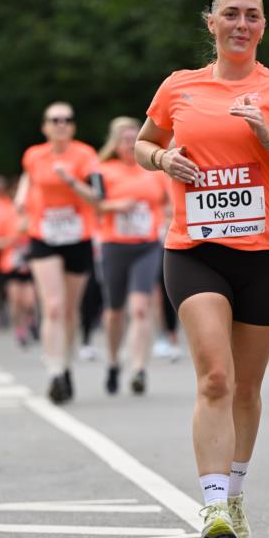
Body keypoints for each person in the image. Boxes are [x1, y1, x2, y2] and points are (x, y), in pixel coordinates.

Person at [135, 0, 269, 538]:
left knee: (246, 386)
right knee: (215, 377)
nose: (242, 24)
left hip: (266, 253)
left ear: (263, 26)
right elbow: (142, 144)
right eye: (231, 14)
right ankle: (213, 506)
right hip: (196, 250)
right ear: (211, 22)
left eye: (252, 15)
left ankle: (235, 493)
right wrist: (163, 159)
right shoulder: (179, 86)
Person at [15, 102, 101, 403]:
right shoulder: (33, 155)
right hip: (44, 235)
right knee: (52, 306)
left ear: (73, 126)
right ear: (45, 127)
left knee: (69, 311)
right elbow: (28, 177)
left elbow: (97, 198)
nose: (61, 124)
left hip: (78, 236)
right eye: (55, 120)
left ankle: (66, 365)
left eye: (67, 119)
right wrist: (21, 198)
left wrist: (71, 181)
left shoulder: (85, 155)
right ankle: (53, 371)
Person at [96, 117, 171, 394]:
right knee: (114, 310)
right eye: (125, 140)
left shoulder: (155, 171)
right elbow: (94, 205)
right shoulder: (102, 170)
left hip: (147, 245)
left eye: (134, 139)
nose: (130, 145)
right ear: (115, 145)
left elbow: (170, 204)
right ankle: (114, 361)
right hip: (114, 245)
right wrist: (116, 206)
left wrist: (166, 220)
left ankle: (139, 368)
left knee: (140, 307)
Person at [0, 178, 37, 347]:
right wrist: (15, 237)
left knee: (29, 301)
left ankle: (31, 321)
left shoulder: (35, 212)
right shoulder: (5, 214)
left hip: (31, 263)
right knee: (16, 300)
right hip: (11, 264)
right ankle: (20, 330)